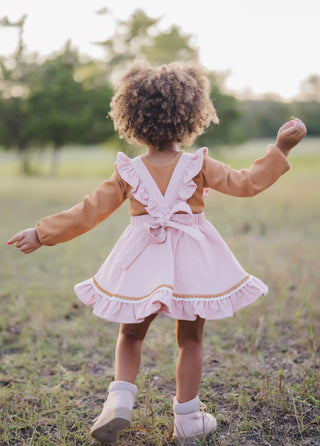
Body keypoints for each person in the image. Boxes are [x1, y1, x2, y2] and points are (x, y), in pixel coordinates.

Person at [8, 61, 307, 445]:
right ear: (191, 115)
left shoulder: (128, 171)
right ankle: (187, 418)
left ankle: (119, 399)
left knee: (131, 334)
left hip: (141, 261)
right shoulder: (199, 165)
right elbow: (247, 183)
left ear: (130, 118)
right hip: (192, 262)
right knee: (191, 339)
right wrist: (280, 148)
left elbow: (88, 212)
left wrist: (40, 232)